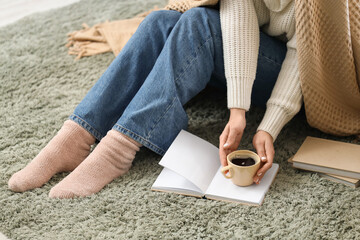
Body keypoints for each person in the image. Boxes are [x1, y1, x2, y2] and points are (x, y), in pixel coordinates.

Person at [8, 0, 301, 199]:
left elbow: (307, 57)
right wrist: (237, 110)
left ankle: (118, 151)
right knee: (161, 21)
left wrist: (268, 126)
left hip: (296, 74)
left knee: (200, 23)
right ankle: (76, 135)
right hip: (248, 56)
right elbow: (239, 19)